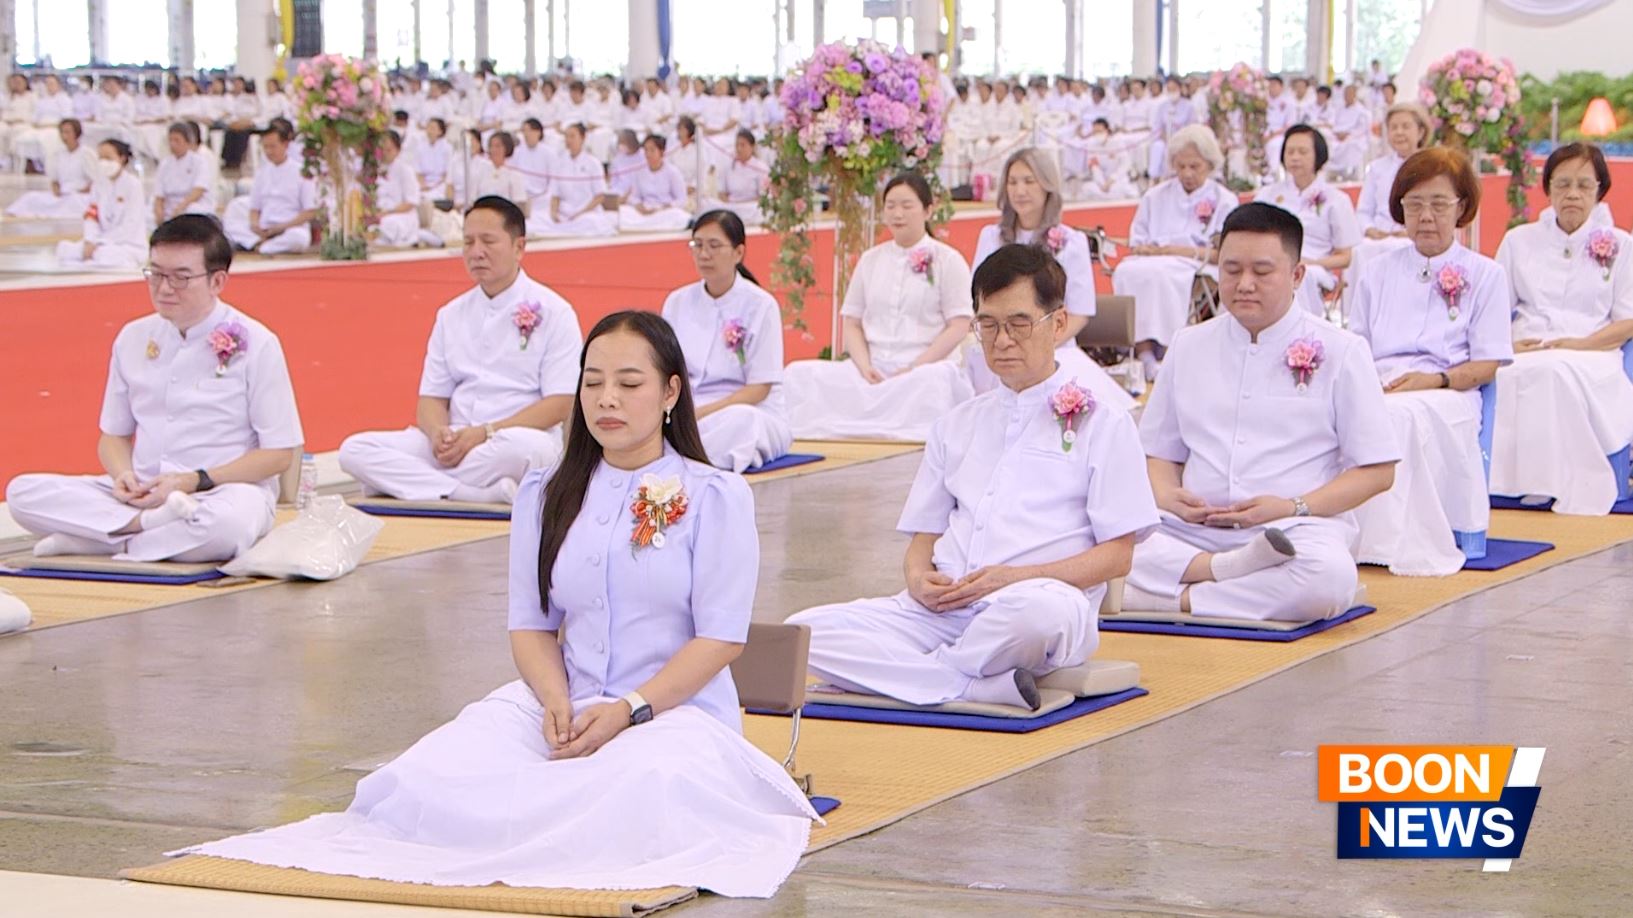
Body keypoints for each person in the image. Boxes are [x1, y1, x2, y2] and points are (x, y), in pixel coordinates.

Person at [184, 310, 819, 898]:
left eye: (629, 383)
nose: (607, 400)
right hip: (564, 701)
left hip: (673, 716)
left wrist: (627, 710)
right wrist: (556, 704)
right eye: (593, 382)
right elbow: (531, 623)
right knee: (433, 773)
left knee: (641, 790)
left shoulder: (714, 496)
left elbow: (721, 637)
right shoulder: (546, 490)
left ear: (672, 393)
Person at [786, 244, 1159, 708]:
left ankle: (922, 675)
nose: (1002, 341)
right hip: (941, 611)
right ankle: (974, 683)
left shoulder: (1104, 420)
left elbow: (1118, 556)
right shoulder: (956, 423)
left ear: (1058, 324)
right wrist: (919, 577)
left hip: (1035, 603)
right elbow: (924, 538)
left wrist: (1014, 578)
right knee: (802, 634)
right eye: (988, 324)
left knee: (1039, 617)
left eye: (1019, 324)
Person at [1123, 203, 1398, 622]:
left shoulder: (1342, 351)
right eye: (1231, 270)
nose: (1244, 284)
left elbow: (1378, 471)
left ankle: (1170, 601)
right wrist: (1168, 496)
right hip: (1189, 530)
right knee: (1088, 539)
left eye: (1262, 272)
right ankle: (1222, 573)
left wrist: (1292, 507)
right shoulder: (1188, 345)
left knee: (1329, 578)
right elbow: (1160, 453)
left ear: (1297, 275)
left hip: (1292, 531)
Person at [7, 216, 302, 562]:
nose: (164, 288)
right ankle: (148, 527)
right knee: (23, 493)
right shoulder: (132, 337)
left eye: (180, 278)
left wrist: (196, 481)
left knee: (228, 527)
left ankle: (106, 539)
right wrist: (124, 477)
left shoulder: (258, 343)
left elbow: (279, 454)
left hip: (222, 491)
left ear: (217, 281)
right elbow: (113, 437)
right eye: (156, 274)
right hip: (144, 492)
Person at [340, 197, 580, 503]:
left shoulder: (555, 311)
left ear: (519, 247)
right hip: (455, 442)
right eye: (468, 242)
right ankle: (468, 493)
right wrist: (438, 433)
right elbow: (431, 398)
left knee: (533, 451)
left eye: (488, 241)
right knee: (355, 450)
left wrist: (484, 433)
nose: (476, 252)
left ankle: (409, 484)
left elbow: (561, 402)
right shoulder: (450, 314)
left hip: (508, 439)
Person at [1348, 147, 1513, 576]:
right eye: (1414, 204)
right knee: (1350, 410)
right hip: (1381, 383)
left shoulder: (1486, 274)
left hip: (1448, 392)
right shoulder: (1376, 271)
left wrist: (1433, 380)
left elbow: (1488, 364)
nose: (1425, 216)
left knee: (1400, 416)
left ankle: (1392, 541)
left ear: (1461, 208)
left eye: (1438, 204)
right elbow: (1355, 346)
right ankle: (1341, 532)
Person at [1492, 143, 1633, 514]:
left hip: (1593, 352)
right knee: (1509, 373)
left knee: (1553, 371)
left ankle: (1552, 483)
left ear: (1599, 191)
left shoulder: (1621, 244)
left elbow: (1627, 321)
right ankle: (1502, 483)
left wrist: (1579, 344)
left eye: (1584, 185)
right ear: (1548, 187)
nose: (1572, 194)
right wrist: (1508, 347)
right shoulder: (1518, 240)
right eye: (1563, 183)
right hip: (1525, 346)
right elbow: (1492, 310)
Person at [784, 172, 975, 441]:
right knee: (798, 374)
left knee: (934, 384)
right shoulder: (871, 259)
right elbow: (851, 321)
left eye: (907, 206)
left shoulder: (948, 259)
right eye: (890, 206)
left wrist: (914, 367)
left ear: (928, 210)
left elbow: (959, 324)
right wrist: (864, 367)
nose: (898, 213)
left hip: (923, 370)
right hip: (872, 370)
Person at [967, 147, 1134, 411]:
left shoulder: (1071, 241)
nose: (1020, 191)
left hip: (1055, 347)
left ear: (1047, 185)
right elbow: (977, 300)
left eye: (1029, 181)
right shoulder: (991, 237)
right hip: (1000, 342)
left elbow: (1079, 312)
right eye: (1012, 182)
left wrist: (1038, 344)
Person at [660, 210, 790, 472]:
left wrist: (700, 414)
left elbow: (759, 389)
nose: (704, 254)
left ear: (739, 252)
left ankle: (677, 462)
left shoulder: (761, 305)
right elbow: (664, 368)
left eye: (714, 246)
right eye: (697, 245)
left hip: (745, 409)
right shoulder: (677, 302)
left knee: (741, 423)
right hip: (687, 407)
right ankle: (676, 455)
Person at [1111, 123, 1240, 382]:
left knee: (1163, 274)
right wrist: (1146, 248)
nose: (1187, 173)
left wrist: (1173, 250)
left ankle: (1171, 350)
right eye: (1181, 166)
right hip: (1152, 259)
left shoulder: (1224, 199)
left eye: (1195, 167)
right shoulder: (1155, 195)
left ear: (1210, 164)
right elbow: (1138, 237)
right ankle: (1144, 352)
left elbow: (1223, 252)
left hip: (1194, 263)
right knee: (1127, 270)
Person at [1253, 124, 1359, 317]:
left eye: (1302, 152)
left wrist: (1313, 261)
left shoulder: (1336, 199)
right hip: (1269, 262)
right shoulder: (1267, 195)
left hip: (1314, 268)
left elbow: (1345, 257)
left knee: (1298, 275)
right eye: (1290, 151)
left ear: (1318, 156)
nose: (1294, 157)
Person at [1347, 102, 1431, 307]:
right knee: (1361, 252)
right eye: (1394, 128)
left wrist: (1412, 230)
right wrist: (1371, 229)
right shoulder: (1377, 168)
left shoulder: (1431, 166)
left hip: (1414, 237)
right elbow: (1363, 211)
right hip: (1380, 236)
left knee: (1404, 249)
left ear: (1420, 131)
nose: (1399, 133)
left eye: (1405, 126)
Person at [222, 120, 318, 254]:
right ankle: (259, 243)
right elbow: (254, 208)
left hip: (290, 227)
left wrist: (281, 228)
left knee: (298, 239)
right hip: (264, 227)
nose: (268, 151)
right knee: (235, 209)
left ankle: (261, 246)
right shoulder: (262, 172)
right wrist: (255, 225)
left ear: (285, 145)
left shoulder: (302, 172)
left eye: (273, 147)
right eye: (265, 147)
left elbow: (309, 211)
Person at [55, 139, 147, 270]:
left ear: (122, 158)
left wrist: (100, 242)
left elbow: (130, 225)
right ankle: (90, 259)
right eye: (101, 158)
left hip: (126, 244)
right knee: (64, 250)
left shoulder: (133, 185)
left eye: (108, 158)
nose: (104, 162)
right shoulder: (99, 184)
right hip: (98, 243)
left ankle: (92, 259)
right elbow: (91, 216)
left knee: (108, 255)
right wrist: (90, 240)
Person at [529, 123, 616, 238]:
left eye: (572, 136)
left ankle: (564, 230)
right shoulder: (560, 163)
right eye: (566, 136)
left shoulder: (593, 163)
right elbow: (555, 195)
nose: (568, 140)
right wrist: (554, 213)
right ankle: (562, 229)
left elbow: (600, 196)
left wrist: (580, 213)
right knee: (536, 217)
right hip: (564, 212)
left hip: (586, 213)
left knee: (592, 222)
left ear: (583, 138)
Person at [5, 119, 97, 219]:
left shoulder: (87, 154)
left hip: (80, 195)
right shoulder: (57, 153)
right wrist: (57, 191)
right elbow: (54, 180)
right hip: (62, 194)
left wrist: (81, 191)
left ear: (77, 133)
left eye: (67, 132)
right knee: (32, 197)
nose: (64, 136)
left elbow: (95, 181)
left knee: (75, 202)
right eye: (62, 132)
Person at [374, 130, 440, 248]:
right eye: (382, 149)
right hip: (379, 214)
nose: (385, 153)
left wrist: (387, 213)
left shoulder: (405, 170)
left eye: (388, 150)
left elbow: (410, 202)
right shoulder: (374, 169)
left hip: (401, 215)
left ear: (397, 150)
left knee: (388, 224)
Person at [618, 135, 691, 232]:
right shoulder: (639, 172)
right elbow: (634, 196)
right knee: (623, 212)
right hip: (645, 210)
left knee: (679, 215)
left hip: (664, 211)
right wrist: (639, 206)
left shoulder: (673, 172)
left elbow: (681, 199)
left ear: (661, 152)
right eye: (646, 150)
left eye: (652, 150)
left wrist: (665, 207)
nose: (648, 154)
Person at [153, 122, 218, 222]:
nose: (172, 144)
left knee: (192, 211)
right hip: (170, 204)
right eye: (170, 140)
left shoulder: (199, 161)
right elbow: (159, 194)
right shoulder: (165, 164)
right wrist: (159, 210)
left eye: (177, 140)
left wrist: (181, 207)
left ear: (187, 142)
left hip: (192, 203)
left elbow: (199, 190)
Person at [716, 129, 768, 226]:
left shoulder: (761, 167)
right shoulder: (728, 166)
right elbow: (721, 193)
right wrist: (730, 203)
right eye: (737, 145)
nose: (739, 149)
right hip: (731, 206)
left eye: (743, 145)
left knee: (760, 210)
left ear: (752, 147)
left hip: (750, 206)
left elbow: (762, 197)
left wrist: (741, 203)